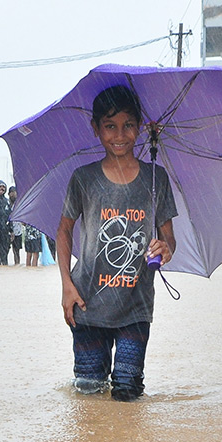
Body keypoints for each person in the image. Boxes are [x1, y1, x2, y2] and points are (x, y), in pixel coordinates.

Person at [56, 84, 176, 402]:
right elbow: (64, 232)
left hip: (135, 306)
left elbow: (169, 240)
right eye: (110, 126)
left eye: (127, 125)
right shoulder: (84, 178)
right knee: (89, 392)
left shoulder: (156, 179)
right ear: (96, 129)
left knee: (128, 391)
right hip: (86, 302)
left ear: (139, 128)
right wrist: (67, 285)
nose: (119, 134)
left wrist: (165, 250)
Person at [8, 186, 23, 266]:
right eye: (12, 193)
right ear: (9, 194)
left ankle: (17, 264)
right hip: (8, 231)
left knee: (16, 250)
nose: (13, 194)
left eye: (15, 193)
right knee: (7, 250)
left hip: (18, 231)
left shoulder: (19, 204)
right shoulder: (7, 205)